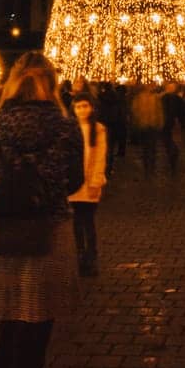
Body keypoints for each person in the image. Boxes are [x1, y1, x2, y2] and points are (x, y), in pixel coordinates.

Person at [0, 52, 84, 368]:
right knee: (40, 321)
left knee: (9, 322)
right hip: (49, 229)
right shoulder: (65, 124)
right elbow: (75, 179)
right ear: (51, 84)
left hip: (5, 228)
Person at [67, 93, 108, 277]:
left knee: (88, 222)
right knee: (76, 223)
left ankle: (90, 258)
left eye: (85, 106)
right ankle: (78, 257)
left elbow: (100, 157)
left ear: (91, 108)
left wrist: (95, 181)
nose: (82, 110)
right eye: (78, 107)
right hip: (73, 184)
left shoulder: (98, 129)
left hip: (90, 182)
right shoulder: (69, 129)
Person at [128, 83, 164, 179]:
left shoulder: (154, 98)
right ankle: (149, 168)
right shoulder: (140, 98)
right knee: (148, 148)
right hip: (146, 125)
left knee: (150, 148)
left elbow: (159, 111)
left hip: (150, 125)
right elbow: (134, 111)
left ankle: (149, 168)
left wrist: (159, 122)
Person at [159, 82, 185, 176]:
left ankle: (172, 156)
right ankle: (173, 157)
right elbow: (182, 113)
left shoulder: (164, 98)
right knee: (171, 142)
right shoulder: (176, 99)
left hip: (170, 124)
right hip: (171, 124)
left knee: (170, 142)